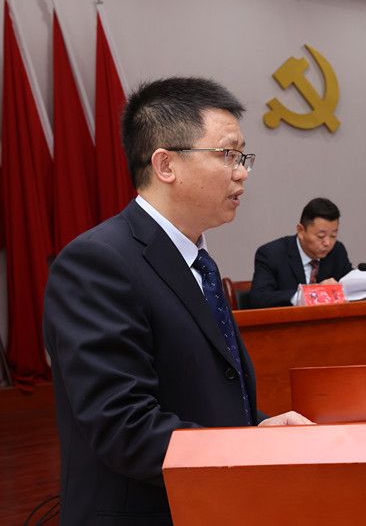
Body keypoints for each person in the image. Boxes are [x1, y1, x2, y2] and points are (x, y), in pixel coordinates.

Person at [42, 77, 311, 525]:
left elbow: (199, 392)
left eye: (243, 157)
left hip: (208, 503)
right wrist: (248, 448)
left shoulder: (196, 259)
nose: (242, 172)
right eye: (228, 155)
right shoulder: (98, 262)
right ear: (166, 164)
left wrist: (257, 427)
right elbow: (124, 425)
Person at [249, 198, 366, 308]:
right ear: (301, 230)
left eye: (333, 235)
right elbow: (258, 298)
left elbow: (350, 286)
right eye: (321, 236)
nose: (327, 243)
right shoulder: (271, 254)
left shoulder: (337, 251)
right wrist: (312, 293)